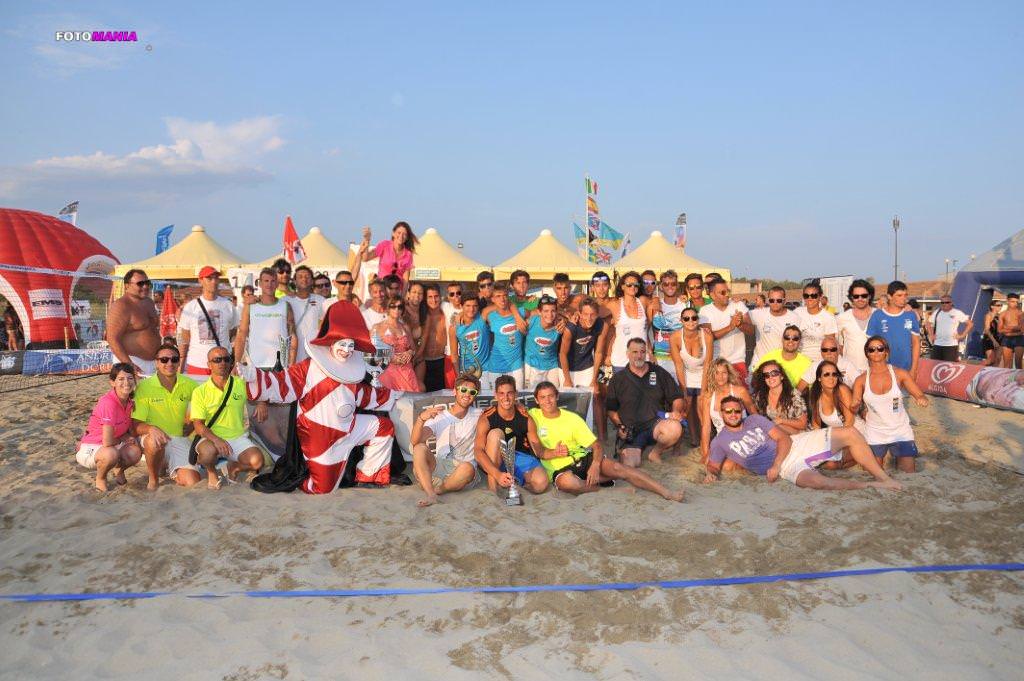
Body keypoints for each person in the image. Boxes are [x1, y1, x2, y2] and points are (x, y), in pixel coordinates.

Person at [703, 396, 901, 491]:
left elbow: (784, 439)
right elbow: (713, 465)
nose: (733, 414)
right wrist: (711, 474)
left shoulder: (754, 420)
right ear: (722, 414)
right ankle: (869, 485)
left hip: (794, 446)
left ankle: (883, 477)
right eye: (728, 411)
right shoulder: (720, 441)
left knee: (849, 432)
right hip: (787, 468)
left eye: (737, 411)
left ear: (741, 412)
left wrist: (776, 464)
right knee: (819, 483)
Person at [528, 382, 684, 501]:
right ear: (536, 400)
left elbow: (596, 445)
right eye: (542, 397)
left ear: (557, 397)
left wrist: (595, 465)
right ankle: (605, 489)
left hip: (582, 459)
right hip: (559, 469)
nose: (547, 401)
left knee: (619, 468)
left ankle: (666, 492)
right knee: (568, 484)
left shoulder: (572, 418)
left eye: (550, 396)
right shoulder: (532, 415)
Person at [852, 336, 930, 473]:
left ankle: (895, 455)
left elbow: (919, 394)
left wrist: (921, 399)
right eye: (871, 349)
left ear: (886, 352)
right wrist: (855, 406)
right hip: (875, 431)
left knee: (908, 472)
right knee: (871, 472)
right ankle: (885, 455)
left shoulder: (900, 374)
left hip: (900, 430)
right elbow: (855, 404)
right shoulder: (861, 380)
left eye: (880, 349)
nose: (876, 352)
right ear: (867, 354)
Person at [191, 347, 264, 489]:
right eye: (217, 360)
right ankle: (212, 473)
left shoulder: (241, 383)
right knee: (206, 454)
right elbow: (198, 425)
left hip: (237, 437)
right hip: (211, 438)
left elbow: (261, 391)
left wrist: (262, 403)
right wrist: (216, 439)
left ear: (231, 362)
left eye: (226, 359)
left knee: (257, 461)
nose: (222, 363)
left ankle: (233, 468)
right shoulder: (200, 392)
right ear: (209, 364)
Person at [605, 338, 686, 466]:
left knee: (675, 428)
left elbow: (677, 397)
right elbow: (611, 409)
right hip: (632, 429)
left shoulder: (658, 372)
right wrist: (620, 426)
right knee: (630, 464)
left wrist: (675, 411)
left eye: (642, 352)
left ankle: (655, 452)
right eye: (635, 352)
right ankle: (636, 450)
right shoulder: (618, 379)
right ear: (627, 354)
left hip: (656, 424)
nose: (639, 355)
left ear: (646, 353)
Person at [133, 343, 199, 489]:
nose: (169, 363)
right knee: (153, 442)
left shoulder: (190, 384)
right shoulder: (144, 387)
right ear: (156, 363)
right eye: (164, 360)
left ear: (179, 362)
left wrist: (193, 424)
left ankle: (167, 466)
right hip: (155, 440)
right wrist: (151, 429)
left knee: (193, 482)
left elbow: (206, 410)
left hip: (180, 440)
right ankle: (153, 478)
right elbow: (135, 424)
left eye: (174, 359)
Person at [411, 374, 484, 506]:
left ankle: (438, 491)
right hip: (438, 467)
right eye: (463, 390)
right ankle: (431, 493)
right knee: (419, 448)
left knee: (468, 468)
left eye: (472, 392)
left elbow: (502, 411)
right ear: (455, 391)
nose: (467, 394)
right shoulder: (440, 416)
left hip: (462, 474)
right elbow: (416, 441)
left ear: (475, 396)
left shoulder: (480, 414)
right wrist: (421, 419)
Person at [474, 374, 549, 496]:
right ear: (496, 395)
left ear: (516, 394)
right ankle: (493, 491)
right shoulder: (486, 417)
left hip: (518, 456)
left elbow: (538, 450)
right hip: (495, 458)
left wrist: (555, 452)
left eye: (509, 393)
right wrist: (497, 474)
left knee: (541, 483)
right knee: (495, 434)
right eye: (502, 393)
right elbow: (478, 451)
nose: (506, 397)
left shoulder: (526, 417)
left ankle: (515, 486)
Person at [76, 363, 142, 491]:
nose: (126, 383)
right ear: (112, 382)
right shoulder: (109, 402)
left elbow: (123, 430)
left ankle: (119, 470)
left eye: (130, 378)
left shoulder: (129, 402)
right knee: (111, 454)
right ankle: (100, 478)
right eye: (121, 379)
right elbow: (107, 442)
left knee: (135, 452)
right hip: (93, 446)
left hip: (112, 443)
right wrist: (123, 439)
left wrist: (127, 436)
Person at [179, 266, 238, 376]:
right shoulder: (191, 307)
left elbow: (233, 332)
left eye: (216, 278)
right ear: (200, 281)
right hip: (197, 363)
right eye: (209, 278)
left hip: (222, 363)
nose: (214, 282)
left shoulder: (228, 305)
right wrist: (181, 365)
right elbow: (186, 337)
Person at [235, 267, 297, 370]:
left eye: (273, 281)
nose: (269, 284)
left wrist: (292, 364)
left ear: (277, 284)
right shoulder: (250, 306)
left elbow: (292, 336)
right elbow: (241, 335)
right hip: (255, 364)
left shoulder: (286, 306)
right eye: (266, 281)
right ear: (260, 284)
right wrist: (236, 363)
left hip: (280, 365)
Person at [699, 358, 758, 465]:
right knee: (708, 461)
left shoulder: (739, 391)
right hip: (722, 440)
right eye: (716, 373)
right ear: (712, 375)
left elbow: (755, 416)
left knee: (728, 465)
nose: (720, 377)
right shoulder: (708, 397)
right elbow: (706, 427)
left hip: (743, 436)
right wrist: (705, 453)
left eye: (724, 373)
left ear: (728, 374)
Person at [669, 306, 713, 447]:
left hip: (703, 374)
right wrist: (683, 390)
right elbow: (679, 365)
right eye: (686, 318)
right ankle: (692, 438)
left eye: (694, 318)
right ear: (681, 320)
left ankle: (705, 439)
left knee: (702, 407)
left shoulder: (706, 336)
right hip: (686, 374)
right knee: (686, 407)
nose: (691, 321)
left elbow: (708, 365)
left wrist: (704, 389)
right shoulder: (675, 337)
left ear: (698, 320)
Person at [106, 269, 160, 376]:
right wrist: (128, 364)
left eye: (147, 283)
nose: (145, 286)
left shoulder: (149, 302)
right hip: (133, 361)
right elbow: (112, 338)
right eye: (140, 283)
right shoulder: (121, 306)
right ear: (127, 286)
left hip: (154, 362)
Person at [700, 279, 753, 380]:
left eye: (728, 291)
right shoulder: (705, 311)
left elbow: (751, 330)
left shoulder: (738, 305)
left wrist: (740, 324)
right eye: (723, 292)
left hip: (737, 360)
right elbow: (707, 338)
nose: (727, 295)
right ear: (712, 295)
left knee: (740, 394)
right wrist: (730, 327)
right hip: (716, 362)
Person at [866, 281, 921, 377]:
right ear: (890, 296)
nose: (904, 299)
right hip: (883, 370)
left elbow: (916, 343)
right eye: (899, 295)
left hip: (906, 370)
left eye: (905, 295)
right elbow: (870, 345)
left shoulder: (910, 315)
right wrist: (874, 367)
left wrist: (914, 369)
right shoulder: (877, 315)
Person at [481, 283, 527, 389]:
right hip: (495, 365)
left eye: (505, 295)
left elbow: (541, 313)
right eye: (498, 296)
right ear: (492, 299)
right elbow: (474, 320)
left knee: (517, 397)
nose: (502, 299)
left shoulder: (520, 313)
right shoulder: (489, 316)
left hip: (516, 365)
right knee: (495, 399)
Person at [559, 297, 608, 390]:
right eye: (585, 314)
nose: (589, 318)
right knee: (569, 400)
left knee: (588, 400)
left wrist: (594, 380)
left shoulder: (602, 325)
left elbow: (598, 353)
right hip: (567, 367)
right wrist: (567, 379)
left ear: (597, 314)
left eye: (592, 314)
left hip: (587, 366)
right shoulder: (571, 328)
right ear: (580, 314)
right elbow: (562, 354)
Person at [374, 295, 420, 391]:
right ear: (388, 308)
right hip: (387, 371)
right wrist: (390, 356)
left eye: (400, 307)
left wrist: (410, 353)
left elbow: (414, 348)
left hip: (406, 370)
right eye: (393, 306)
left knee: (411, 401)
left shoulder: (405, 327)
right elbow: (371, 351)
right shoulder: (378, 327)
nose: (396, 309)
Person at [751, 359, 808, 435]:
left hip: (799, 435)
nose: (770, 377)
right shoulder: (760, 396)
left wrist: (781, 420)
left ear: (782, 376)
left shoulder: (794, 395)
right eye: (766, 375)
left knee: (775, 425)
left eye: (774, 373)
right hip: (775, 435)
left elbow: (803, 424)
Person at [285, 265, 327, 364]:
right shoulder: (285, 300)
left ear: (312, 281)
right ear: (294, 281)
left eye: (307, 276)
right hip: (292, 355)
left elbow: (324, 325)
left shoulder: (320, 300)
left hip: (313, 353)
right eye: (300, 276)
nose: (304, 279)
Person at [748, 286, 798, 367]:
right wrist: (736, 303)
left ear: (784, 301)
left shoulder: (794, 318)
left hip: (782, 365)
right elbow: (742, 314)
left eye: (778, 300)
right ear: (768, 301)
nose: (775, 303)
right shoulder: (758, 314)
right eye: (772, 300)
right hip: (760, 364)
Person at [608, 271, 649, 371]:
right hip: (620, 359)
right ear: (622, 287)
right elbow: (596, 311)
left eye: (636, 284)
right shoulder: (614, 304)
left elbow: (658, 302)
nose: (632, 287)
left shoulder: (643, 301)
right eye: (629, 285)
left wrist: (681, 298)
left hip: (642, 358)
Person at [753, 325, 813, 390]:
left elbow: (809, 389)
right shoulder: (770, 357)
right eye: (787, 338)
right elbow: (756, 377)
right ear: (782, 339)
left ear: (799, 341)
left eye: (795, 338)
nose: (791, 341)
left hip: (795, 397)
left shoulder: (807, 363)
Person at [649, 270, 685, 377]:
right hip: (659, 360)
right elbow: (645, 331)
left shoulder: (685, 305)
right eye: (666, 284)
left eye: (673, 284)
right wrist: (650, 353)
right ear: (661, 286)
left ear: (677, 285)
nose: (670, 287)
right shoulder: (653, 306)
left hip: (680, 359)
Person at [836, 279, 875, 374]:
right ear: (851, 298)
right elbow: (839, 345)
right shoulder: (842, 318)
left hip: (875, 369)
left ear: (869, 296)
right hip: (851, 371)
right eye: (856, 296)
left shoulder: (878, 315)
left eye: (864, 296)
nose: (860, 299)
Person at [524, 295, 563, 388]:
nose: (549, 315)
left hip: (551, 366)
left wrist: (565, 320)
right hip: (532, 365)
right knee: (530, 397)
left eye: (553, 311)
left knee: (554, 396)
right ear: (539, 312)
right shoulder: (531, 322)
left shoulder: (560, 326)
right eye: (546, 311)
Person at [794, 280, 838, 363]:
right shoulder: (797, 313)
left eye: (813, 295)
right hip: (799, 362)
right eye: (806, 296)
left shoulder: (828, 317)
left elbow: (830, 344)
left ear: (820, 297)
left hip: (819, 362)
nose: (809, 298)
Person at [417, 284, 450, 391]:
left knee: (443, 394)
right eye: (430, 297)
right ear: (425, 299)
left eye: (436, 296)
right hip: (424, 362)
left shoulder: (446, 315)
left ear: (440, 297)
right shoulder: (420, 315)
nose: (434, 300)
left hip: (441, 361)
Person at [450, 295, 491, 377]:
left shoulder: (483, 317)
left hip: (486, 369)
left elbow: (498, 306)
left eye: (475, 306)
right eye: (468, 306)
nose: (471, 309)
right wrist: (458, 376)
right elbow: (454, 355)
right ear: (461, 306)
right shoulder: (454, 328)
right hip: (466, 371)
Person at [928, 295, 973, 362]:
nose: (944, 304)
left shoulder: (957, 313)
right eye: (942, 302)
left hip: (951, 346)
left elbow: (970, 324)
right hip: (937, 345)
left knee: (948, 367)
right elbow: (928, 323)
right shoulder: (937, 312)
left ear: (951, 303)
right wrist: (931, 335)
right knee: (934, 367)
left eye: (947, 302)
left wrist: (962, 336)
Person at [997, 293, 1023, 369]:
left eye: (1016, 302)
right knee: (1007, 364)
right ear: (1007, 301)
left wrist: (1006, 328)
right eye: (1013, 301)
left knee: (1018, 363)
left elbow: (1021, 328)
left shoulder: (1020, 313)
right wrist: (1015, 328)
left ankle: (1020, 381)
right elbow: (999, 329)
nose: (1015, 304)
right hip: (1006, 339)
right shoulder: (1002, 314)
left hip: (1019, 338)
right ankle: (1008, 380)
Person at [982, 300, 1003, 367]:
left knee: (998, 359)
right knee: (991, 360)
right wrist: (994, 341)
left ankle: (993, 376)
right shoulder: (988, 315)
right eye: (998, 305)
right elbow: (987, 329)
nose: (1000, 307)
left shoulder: (1000, 316)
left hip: (999, 338)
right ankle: (974, 368)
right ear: (992, 306)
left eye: (1001, 305)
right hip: (989, 338)